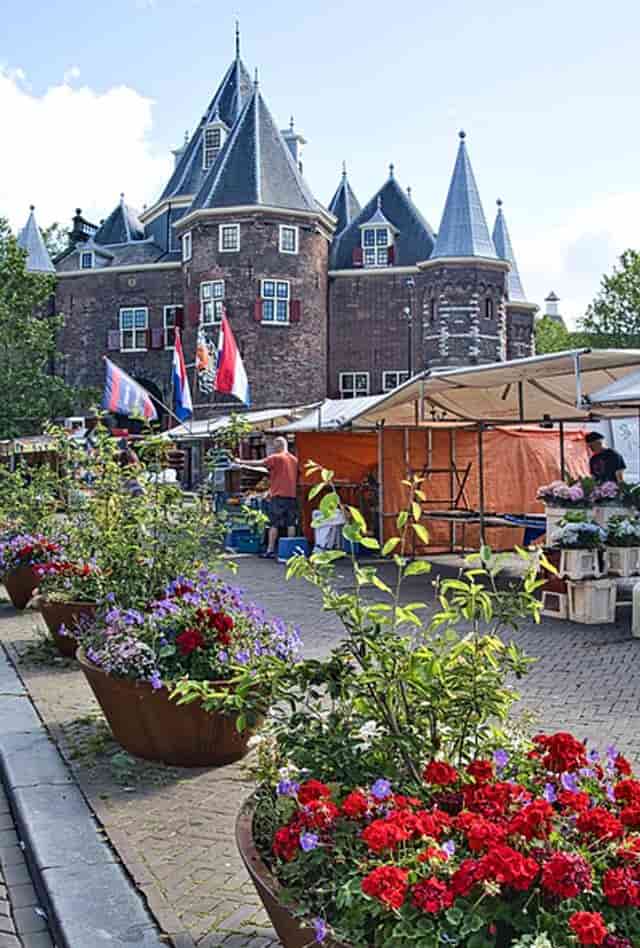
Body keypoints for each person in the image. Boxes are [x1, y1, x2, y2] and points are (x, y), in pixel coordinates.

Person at [235, 437, 299, 559]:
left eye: (274, 446)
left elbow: (259, 463)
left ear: (279, 446)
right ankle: (290, 550)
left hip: (278, 496)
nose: (273, 449)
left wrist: (241, 462)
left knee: (274, 524)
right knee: (291, 523)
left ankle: (270, 550)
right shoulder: (294, 460)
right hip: (291, 495)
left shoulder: (276, 457)